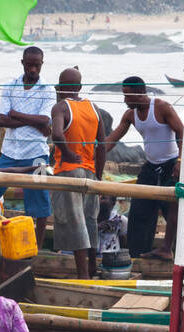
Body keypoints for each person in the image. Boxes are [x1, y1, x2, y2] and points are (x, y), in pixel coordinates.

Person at [103, 76, 182, 260]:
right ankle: (138, 255)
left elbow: (181, 131)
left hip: (171, 165)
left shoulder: (162, 107)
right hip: (150, 167)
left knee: (173, 212)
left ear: (140, 93)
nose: (125, 100)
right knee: (139, 213)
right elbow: (112, 140)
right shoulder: (130, 115)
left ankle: (176, 255)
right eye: (124, 95)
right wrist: (92, 154)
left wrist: (180, 162)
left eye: (128, 95)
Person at [0, 46, 54, 251]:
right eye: (29, 64)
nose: (33, 68)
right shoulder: (10, 86)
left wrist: (16, 113)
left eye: (37, 65)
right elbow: (2, 120)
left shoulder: (47, 89)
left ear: (42, 64)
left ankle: (37, 247)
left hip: (37, 154)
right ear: (22, 63)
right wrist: (36, 124)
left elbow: (45, 119)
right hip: (10, 152)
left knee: (40, 197)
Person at [50, 67, 107, 279]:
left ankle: (82, 276)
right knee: (90, 220)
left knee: (76, 224)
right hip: (90, 173)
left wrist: (66, 153)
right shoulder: (93, 107)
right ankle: (93, 267)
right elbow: (101, 145)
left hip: (69, 171)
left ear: (59, 87)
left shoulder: (60, 107)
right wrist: (98, 177)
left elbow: (57, 133)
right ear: (79, 88)